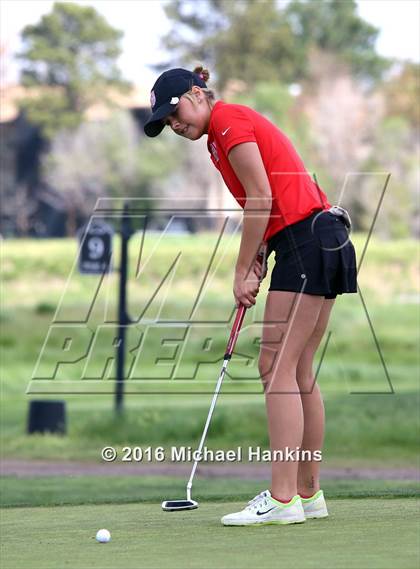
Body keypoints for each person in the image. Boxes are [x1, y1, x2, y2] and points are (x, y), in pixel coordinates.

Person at [143, 66, 357, 526]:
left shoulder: (227, 121)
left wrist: (242, 270)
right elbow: (269, 200)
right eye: (165, 123)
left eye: (174, 111)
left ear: (197, 94)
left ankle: (283, 500)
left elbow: (260, 197)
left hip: (308, 238)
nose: (174, 125)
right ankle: (306, 493)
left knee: (275, 365)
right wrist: (260, 248)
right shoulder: (217, 139)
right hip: (319, 236)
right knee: (296, 369)